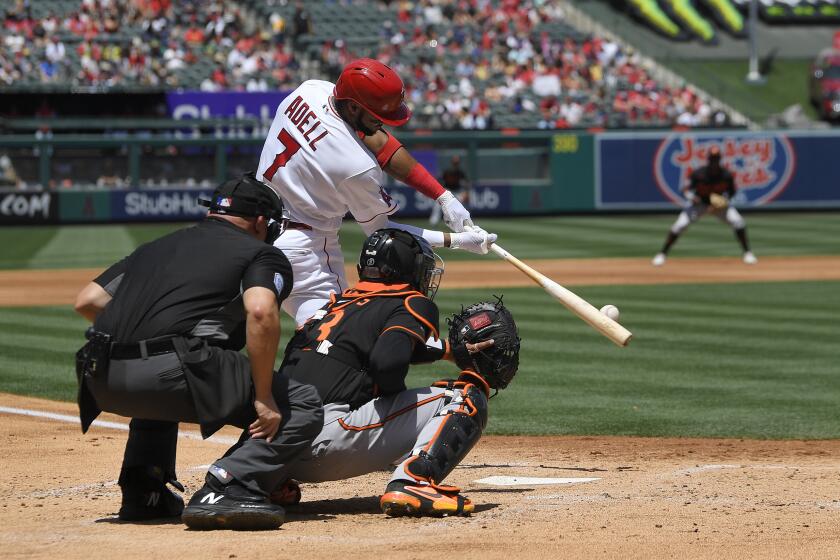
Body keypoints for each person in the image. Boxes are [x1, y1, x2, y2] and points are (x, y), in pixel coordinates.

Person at [73, 173, 323, 530]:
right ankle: (229, 485)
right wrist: (264, 397)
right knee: (301, 403)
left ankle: (144, 491)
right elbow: (260, 312)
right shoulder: (262, 253)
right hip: (169, 374)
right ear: (261, 222)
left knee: (162, 379)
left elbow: (88, 301)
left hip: (100, 377)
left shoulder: (155, 246)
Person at [271, 228, 521, 516]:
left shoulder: (331, 307)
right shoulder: (411, 302)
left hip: (273, 451)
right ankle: (414, 480)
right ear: (405, 269)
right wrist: (394, 416)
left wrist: (449, 350)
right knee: (465, 396)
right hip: (327, 447)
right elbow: (386, 364)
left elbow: (365, 351)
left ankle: (263, 484)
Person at [257, 57, 497, 326]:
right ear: (353, 108)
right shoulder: (356, 166)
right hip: (306, 251)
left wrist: (443, 196)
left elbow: (382, 143)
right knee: (338, 343)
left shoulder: (310, 90)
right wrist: (458, 241)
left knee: (313, 345)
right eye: (376, 116)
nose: (383, 123)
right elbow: (382, 233)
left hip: (254, 228)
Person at [652, 146, 757, 266]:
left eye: (716, 159)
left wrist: (723, 201)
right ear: (708, 159)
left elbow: (732, 192)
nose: (714, 162)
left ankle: (747, 253)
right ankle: (662, 254)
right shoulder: (698, 174)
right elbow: (685, 190)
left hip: (718, 207)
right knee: (679, 226)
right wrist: (692, 198)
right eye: (712, 159)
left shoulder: (726, 175)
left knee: (738, 222)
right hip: (699, 205)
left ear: (719, 160)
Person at [429, 155, 469, 226]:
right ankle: (433, 221)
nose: (455, 164)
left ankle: (464, 221)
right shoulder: (447, 172)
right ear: (452, 162)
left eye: (457, 162)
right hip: (447, 190)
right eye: (454, 162)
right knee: (437, 204)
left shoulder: (460, 172)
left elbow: (466, 184)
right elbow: (440, 181)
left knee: (462, 203)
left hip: (457, 191)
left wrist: (466, 192)